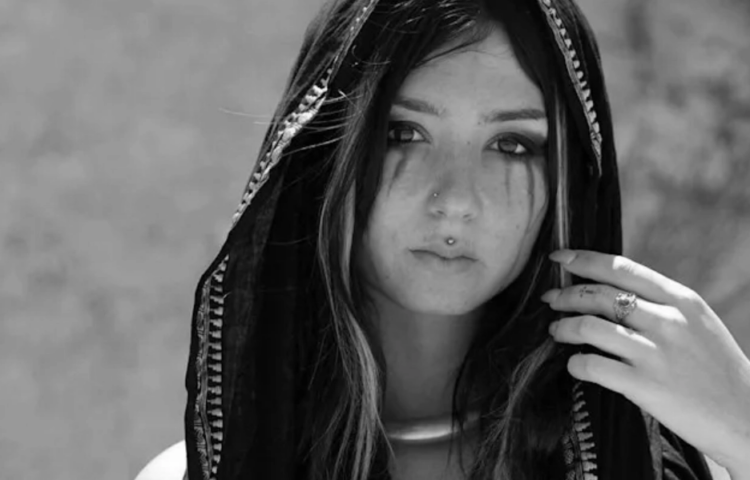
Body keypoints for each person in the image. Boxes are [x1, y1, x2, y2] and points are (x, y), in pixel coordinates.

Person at [136, 0, 750, 479]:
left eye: (512, 145)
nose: (456, 199)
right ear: (325, 157)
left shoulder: (660, 462)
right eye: (403, 133)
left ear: (569, 185)